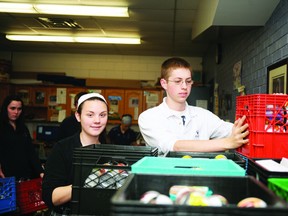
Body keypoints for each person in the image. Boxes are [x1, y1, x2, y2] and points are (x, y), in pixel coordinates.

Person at [138, 57, 249, 156]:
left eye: (188, 81)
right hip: (165, 177)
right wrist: (227, 143)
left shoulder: (203, 115)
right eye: (178, 81)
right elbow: (175, 146)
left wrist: (248, 125)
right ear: (164, 83)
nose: (184, 87)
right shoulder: (149, 117)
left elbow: (233, 131)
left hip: (199, 176)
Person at [42, 92, 108, 215]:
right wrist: (89, 181)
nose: (97, 120)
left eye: (102, 115)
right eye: (90, 115)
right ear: (78, 116)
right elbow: (51, 197)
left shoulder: (109, 151)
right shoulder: (62, 149)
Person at [0, 95, 44, 180]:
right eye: (12, 108)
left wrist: (40, 171)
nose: (16, 112)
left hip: (24, 173)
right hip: (6, 173)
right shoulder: (1, 127)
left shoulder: (23, 128)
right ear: (6, 109)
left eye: (19, 109)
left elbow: (30, 151)